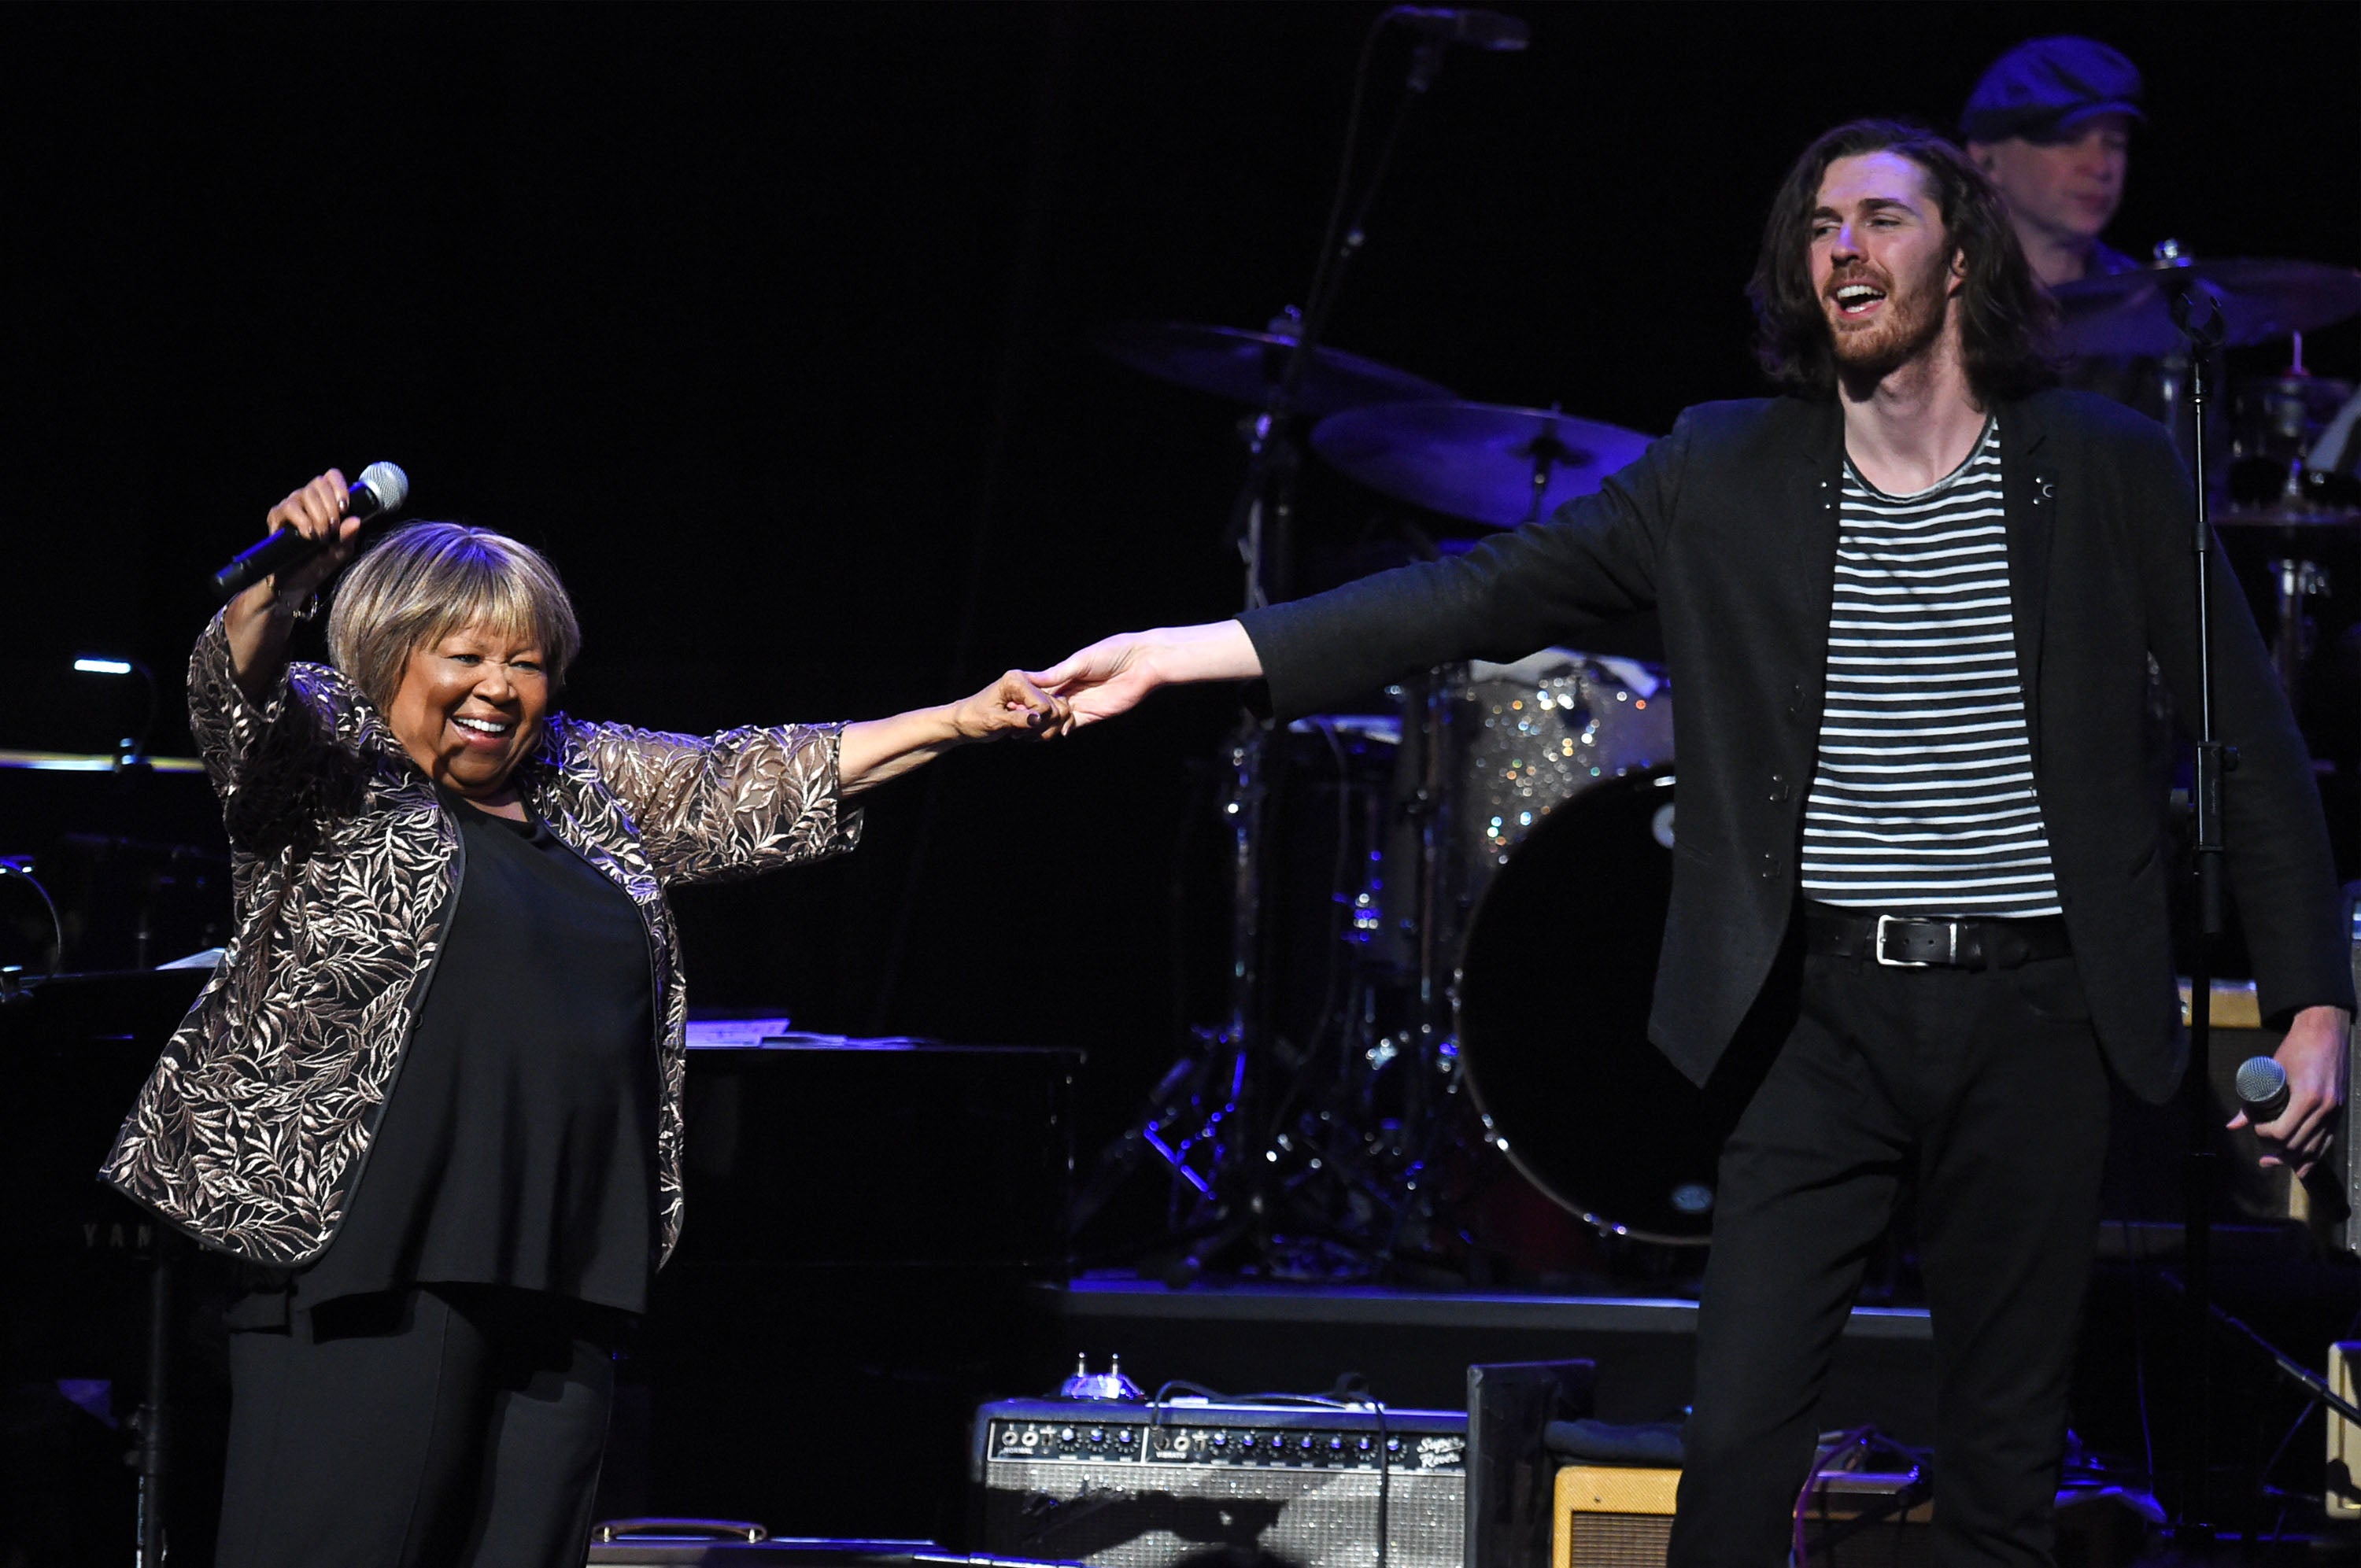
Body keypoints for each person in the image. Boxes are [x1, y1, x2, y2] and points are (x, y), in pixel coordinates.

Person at [1033, 121, 2355, 1564]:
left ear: (1961, 251)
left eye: (1881, 218)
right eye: (1819, 224)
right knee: (1731, 1447)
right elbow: (1480, 592)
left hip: (2037, 1010)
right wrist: (1201, 647)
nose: (1843, 245)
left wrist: (2314, 996)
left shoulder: (2101, 464)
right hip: (1816, 1019)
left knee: (2002, 1473)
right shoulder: (1727, 466)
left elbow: (2248, 742)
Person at [102, 476, 1066, 1568]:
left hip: (565, 1271)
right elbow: (238, 683)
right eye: (464, 656)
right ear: (387, 655)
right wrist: (281, 581)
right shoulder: (329, 760)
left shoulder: (578, 778)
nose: (499, 689)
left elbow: (744, 781)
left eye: (525, 661)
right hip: (375, 1259)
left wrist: (965, 718)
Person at [1960, 36, 2143, 291]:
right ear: (1986, 160)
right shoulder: (1933, 300)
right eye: (2069, 140)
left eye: (2114, 143)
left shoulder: (2156, 303)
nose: (2100, 167)